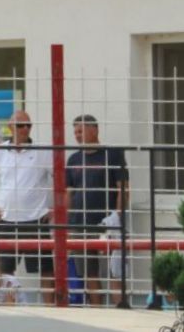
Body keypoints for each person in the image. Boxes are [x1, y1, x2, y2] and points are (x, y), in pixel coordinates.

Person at [0, 109, 55, 304]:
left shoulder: (43, 151)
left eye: (29, 125)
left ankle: (51, 308)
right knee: (5, 269)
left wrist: (54, 208)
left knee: (46, 269)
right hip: (7, 220)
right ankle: (8, 306)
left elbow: (61, 180)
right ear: (10, 127)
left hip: (35, 219)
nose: (25, 129)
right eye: (21, 125)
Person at [66, 114, 129, 306]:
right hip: (79, 224)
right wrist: (66, 225)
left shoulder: (113, 154)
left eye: (81, 130)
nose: (77, 135)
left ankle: (121, 311)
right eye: (75, 131)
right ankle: (96, 311)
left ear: (94, 130)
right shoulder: (73, 159)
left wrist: (117, 217)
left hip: (107, 223)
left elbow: (123, 188)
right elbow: (68, 193)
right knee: (89, 273)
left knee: (114, 270)